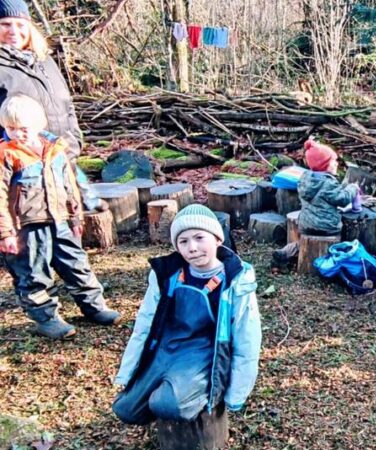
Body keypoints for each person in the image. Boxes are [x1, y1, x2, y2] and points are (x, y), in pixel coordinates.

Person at [113, 204, 262, 425]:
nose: (192, 248)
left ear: (218, 239)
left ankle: (182, 395)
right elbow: (143, 325)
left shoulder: (235, 280)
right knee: (126, 410)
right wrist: (127, 373)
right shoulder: (166, 275)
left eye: (200, 237)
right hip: (166, 348)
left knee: (165, 404)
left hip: (203, 354)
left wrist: (236, 394)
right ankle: (166, 387)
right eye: (183, 241)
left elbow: (247, 338)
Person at [0, 94, 119, 339]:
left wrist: (76, 217)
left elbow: (70, 184)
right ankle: (46, 318)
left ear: (39, 124)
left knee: (77, 264)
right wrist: (5, 233)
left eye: (23, 129)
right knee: (34, 274)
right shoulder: (7, 154)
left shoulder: (55, 149)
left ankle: (94, 307)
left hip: (60, 220)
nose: (17, 134)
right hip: (27, 227)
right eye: (10, 128)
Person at [0, 0, 103, 211]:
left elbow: (67, 104)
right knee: (36, 230)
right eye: (5, 24)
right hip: (24, 169)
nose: (14, 31)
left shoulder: (44, 60)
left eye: (20, 25)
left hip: (62, 156)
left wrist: (75, 139)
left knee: (79, 218)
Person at [297, 139, 358, 236]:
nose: (336, 163)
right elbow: (343, 199)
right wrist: (353, 188)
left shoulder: (305, 179)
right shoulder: (328, 183)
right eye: (333, 161)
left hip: (306, 225)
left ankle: (290, 249)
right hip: (327, 227)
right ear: (324, 165)